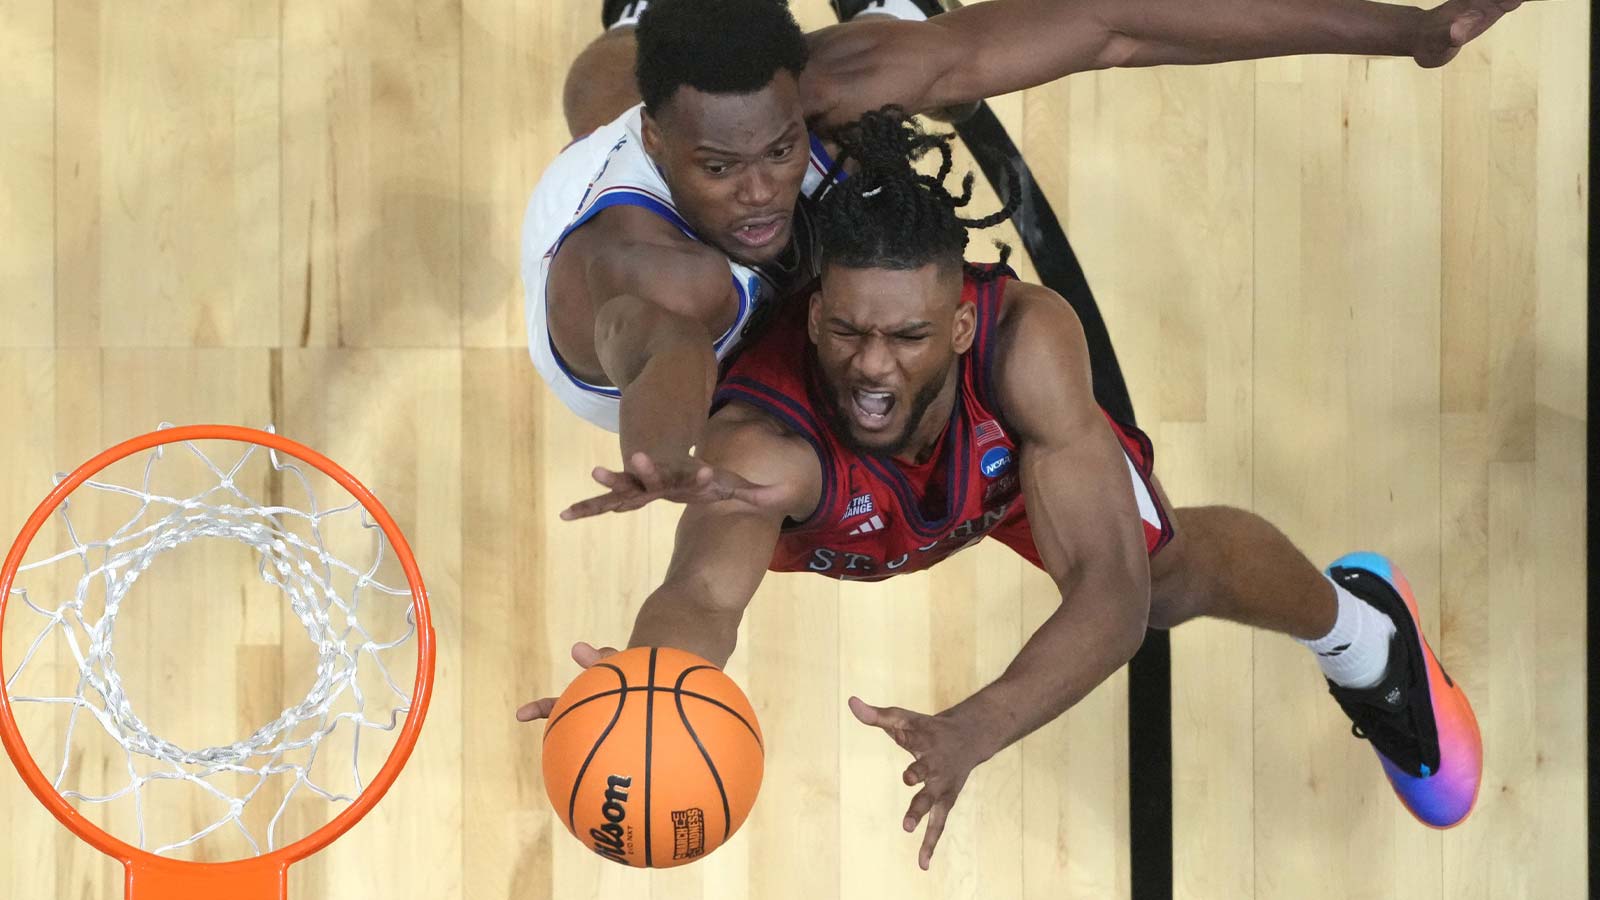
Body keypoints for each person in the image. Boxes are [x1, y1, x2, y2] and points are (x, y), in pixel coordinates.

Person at [520, 109, 1483, 869]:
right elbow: (703, 593)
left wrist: (975, 726)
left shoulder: (1028, 344)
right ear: (812, 320)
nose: (875, 368)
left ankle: (1370, 640)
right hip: (852, 494)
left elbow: (1114, 595)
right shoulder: (764, 445)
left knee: (1172, 577)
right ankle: (643, 49)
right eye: (850, 331)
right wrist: (649, 686)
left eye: (907, 337)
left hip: (997, 464)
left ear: (962, 327)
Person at [523, 0, 1523, 504]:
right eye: (721, 166)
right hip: (636, 322)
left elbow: (1112, 26)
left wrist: (1409, 32)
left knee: (931, 73)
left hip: (728, 157)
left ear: (800, 97)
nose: (758, 193)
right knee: (601, 83)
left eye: (781, 149)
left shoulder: (834, 84)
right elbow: (664, 355)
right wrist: (658, 460)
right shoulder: (644, 272)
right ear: (661, 147)